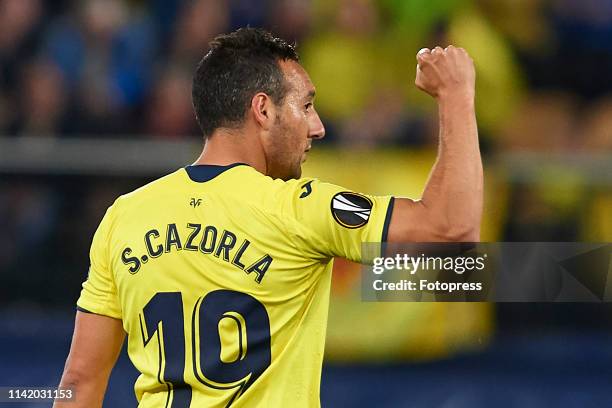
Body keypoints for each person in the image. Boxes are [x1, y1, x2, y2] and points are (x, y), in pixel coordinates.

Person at [55, 27, 482, 407]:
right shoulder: (299, 207)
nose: (318, 127)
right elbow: (451, 232)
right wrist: (457, 97)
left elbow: (79, 380)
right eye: (307, 105)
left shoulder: (125, 216)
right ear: (263, 110)